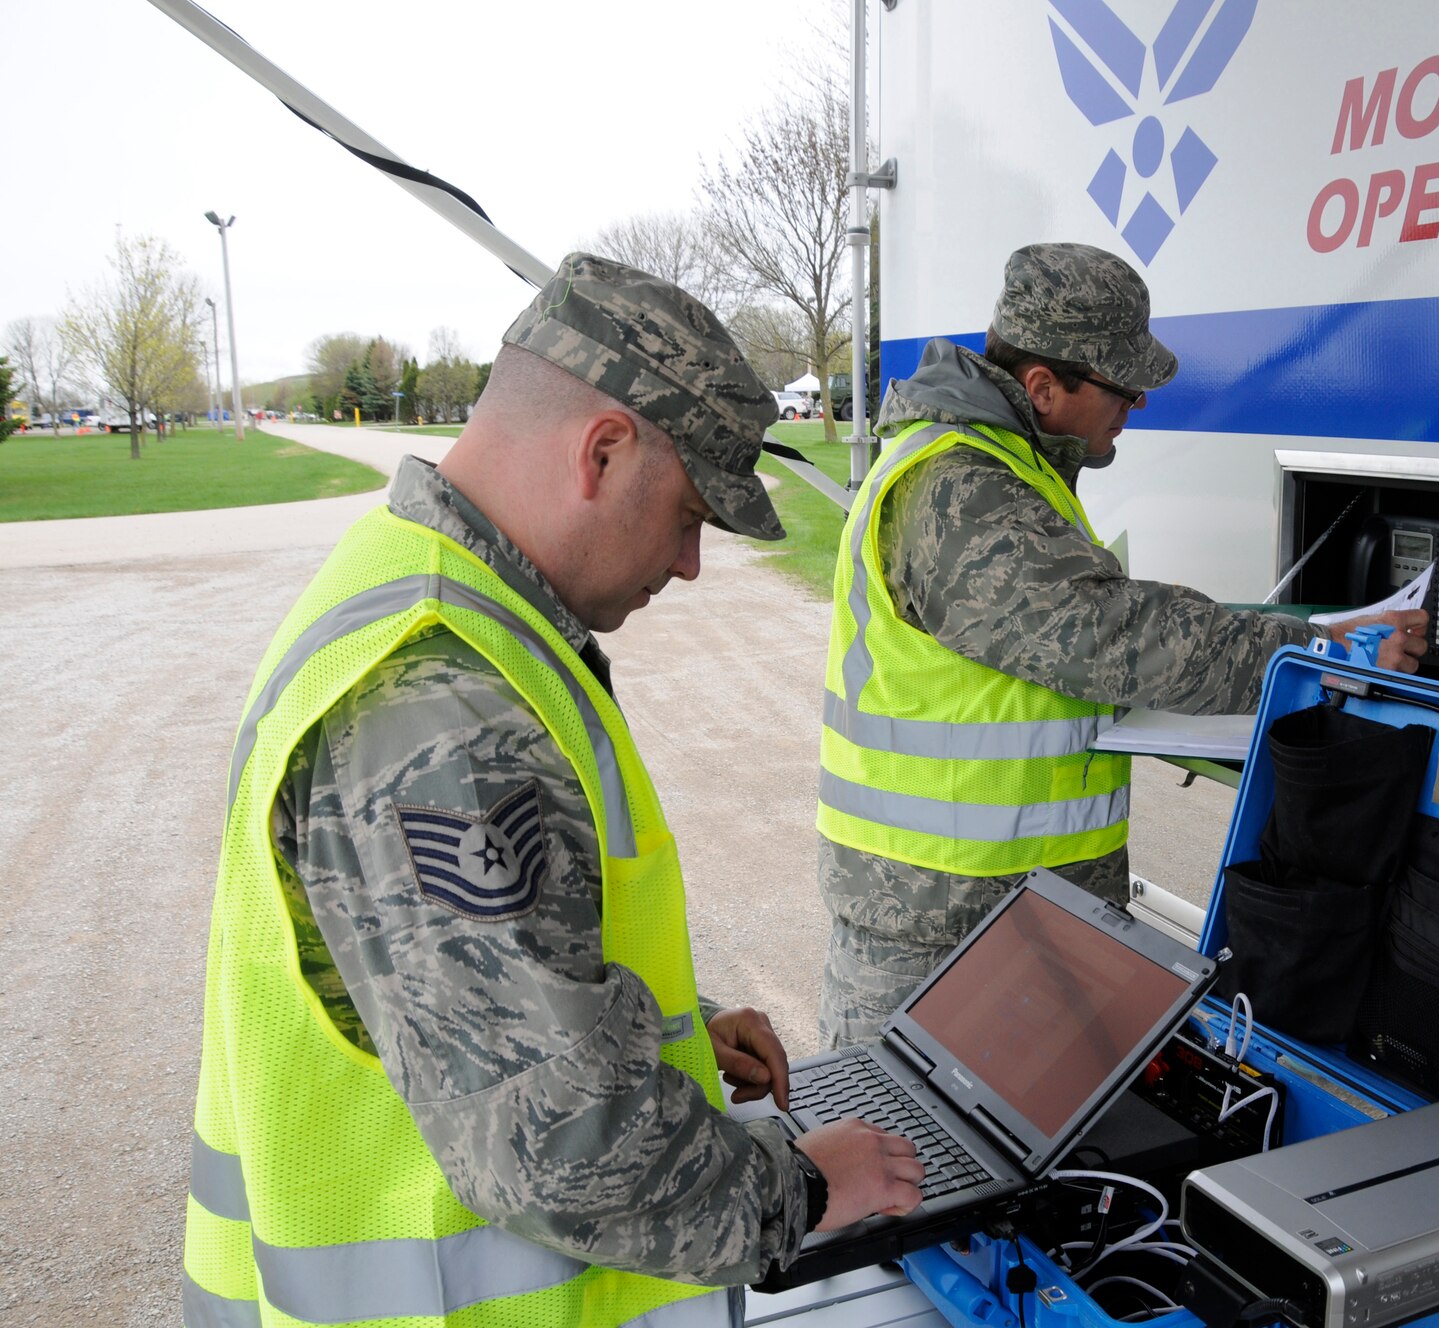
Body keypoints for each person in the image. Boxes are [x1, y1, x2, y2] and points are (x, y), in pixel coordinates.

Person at [181, 253, 923, 1328]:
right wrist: (802, 1185)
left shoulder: (415, 584)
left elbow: (442, 993)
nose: (688, 563)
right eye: (687, 514)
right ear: (604, 449)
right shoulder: (441, 704)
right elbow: (556, 1146)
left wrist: (676, 1032)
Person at [815, 242, 1429, 1050]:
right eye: (1123, 385)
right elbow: (1108, 634)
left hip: (1002, 911)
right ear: (1043, 386)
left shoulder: (1008, 468)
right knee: (917, 1164)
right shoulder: (958, 486)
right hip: (942, 928)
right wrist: (1320, 650)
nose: (1137, 403)